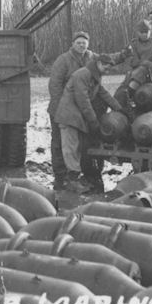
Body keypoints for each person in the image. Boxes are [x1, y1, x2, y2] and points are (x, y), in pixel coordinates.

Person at [54, 54, 124, 193]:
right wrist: (93, 122)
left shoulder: (94, 76)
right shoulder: (83, 74)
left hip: (77, 117)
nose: (107, 70)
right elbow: (83, 100)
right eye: (105, 66)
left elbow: (103, 94)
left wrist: (120, 109)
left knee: (77, 148)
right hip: (69, 116)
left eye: (109, 68)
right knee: (71, 148)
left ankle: (75, 179)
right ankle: (71, 182)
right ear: (98, 63)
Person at [48, 31, 95, 189]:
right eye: (78, 43)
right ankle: (60, 175)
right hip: (61, 108)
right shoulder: (63, 60)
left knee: (79, 142)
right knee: (59, 143)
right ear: (73, 44)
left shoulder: (91, 58)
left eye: (84, 43)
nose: (82, 45)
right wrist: (60, 107)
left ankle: (76, 174)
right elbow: (54, 85)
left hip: (80, 109)